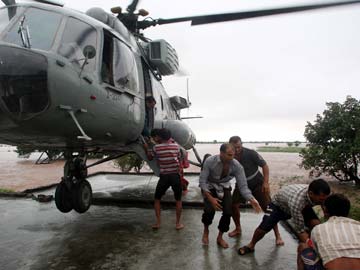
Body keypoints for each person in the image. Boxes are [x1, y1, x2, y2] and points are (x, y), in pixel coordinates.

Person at [238, 178, 330, 255]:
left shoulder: (320, 198)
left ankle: (317, 244)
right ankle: (251, 245)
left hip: (305, 204)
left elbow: (323, 219)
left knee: (316, 223)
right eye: (321, 199)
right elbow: (300, 231)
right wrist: (315, 251)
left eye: (325, 199)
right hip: (278, 206)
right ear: (310, 193)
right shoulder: (297, 202)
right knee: (264, 227)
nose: (323, 201)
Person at [199, 143, 262, 248]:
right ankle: (206, 230)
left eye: (233, 155)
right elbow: (202, 182)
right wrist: (210, 198)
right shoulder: (210, 161)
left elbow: (243, 186)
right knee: (209, 211)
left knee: (228, 212)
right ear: (221, 153)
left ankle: (220, 237)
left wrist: (251, 199)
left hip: (224, 186)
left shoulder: (236, 165)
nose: (231, 158)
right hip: (210, 186)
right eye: (229, 155)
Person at [228, 136, 284, 246]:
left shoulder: (251, 153)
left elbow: (265, 166)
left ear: (241, 144)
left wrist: (266, 182)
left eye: (239, 147)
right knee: (233, 205)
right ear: (230, 146)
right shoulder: (230, 156)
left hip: (258, 183)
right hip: (241, 184)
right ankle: (238, 228)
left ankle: (278, 235)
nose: (237, 150)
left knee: (269, 208)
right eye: (234, 148)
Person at [298, 194, 360, 270]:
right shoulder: (358, 226)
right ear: (348, 211)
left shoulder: (318, 229)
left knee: (303, 246)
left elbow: (317, 253)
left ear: (325, 211)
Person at [144, 128, 184, 230]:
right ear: (169, 136)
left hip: (164, 177)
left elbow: (150, 157)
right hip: (175, 176)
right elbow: (180, 159)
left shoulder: (156, 148)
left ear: (160, 137)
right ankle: (178, 224)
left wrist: (147, 147)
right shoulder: (176, 147)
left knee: (157, 199)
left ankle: (158, 223)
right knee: (178, 200)